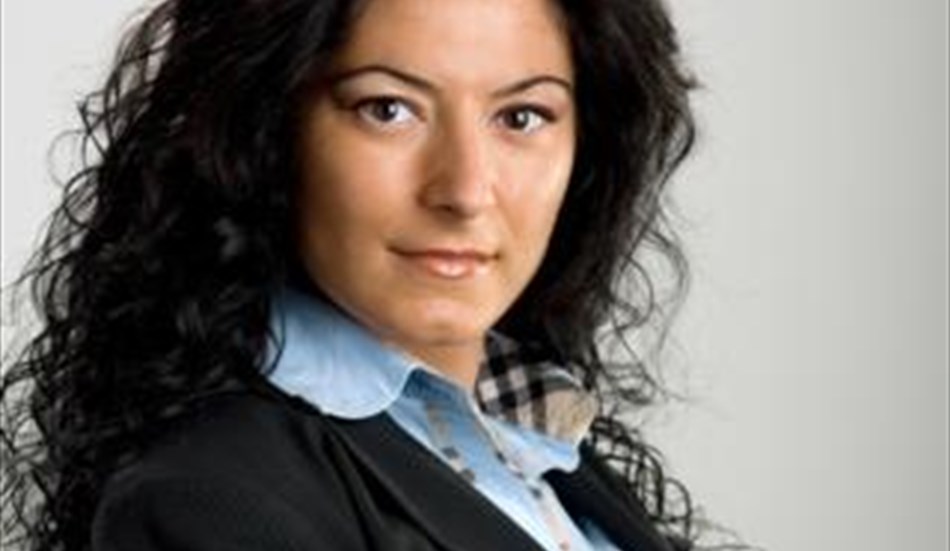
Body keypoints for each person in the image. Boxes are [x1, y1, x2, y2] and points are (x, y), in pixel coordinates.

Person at [1, 0, 710, 549]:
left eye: (522, 116)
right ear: (267, 129)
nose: (465, 190)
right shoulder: (212, 500)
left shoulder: (537, 439)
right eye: (388, 110)